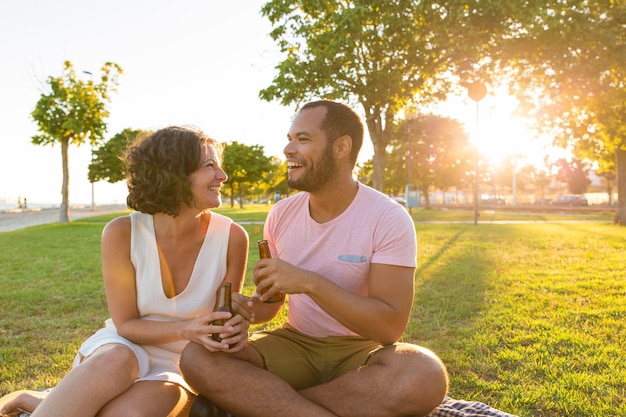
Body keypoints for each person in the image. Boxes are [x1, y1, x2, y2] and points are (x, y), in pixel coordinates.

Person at [180, 100, 449, 417]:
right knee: (197, 357)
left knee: (424, 374)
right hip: (296, 344)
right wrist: (248, 310)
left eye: (302, 139)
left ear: (341, 147)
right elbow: (270, 304)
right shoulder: (281, 215)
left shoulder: (388, 217)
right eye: (290, 138)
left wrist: (309, 283)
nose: (287, 149)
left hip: (361, 351)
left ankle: (261, 404)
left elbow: (388, 329)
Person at [0, 126, 251, 417]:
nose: (223, 176)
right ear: (175, 173)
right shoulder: (121, 233)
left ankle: (43, 404)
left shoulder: (233, 237)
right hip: (124, 345)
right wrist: (187, 328)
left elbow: (228, 316)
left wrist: (239, 323)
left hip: (180, 361)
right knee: (116, 360)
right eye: (210, 166)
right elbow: (127, 325)